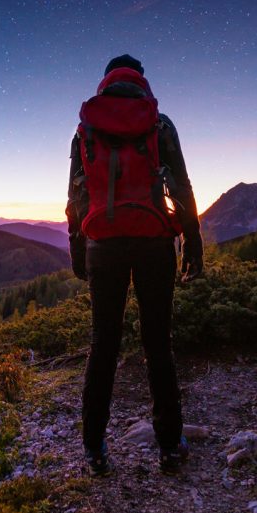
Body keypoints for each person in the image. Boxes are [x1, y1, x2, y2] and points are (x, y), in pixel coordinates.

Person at [66, 54, 203, 475]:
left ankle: (94, 449)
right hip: (154, 242)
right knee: (158, 342)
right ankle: (170, 446)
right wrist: (192, 241)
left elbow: (76, 195)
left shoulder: (86, 127)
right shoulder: (159, 124)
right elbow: (181, 184)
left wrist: (78, 248)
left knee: (103, 344)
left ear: (105, 80)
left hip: (103, 244)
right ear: (141, 80)